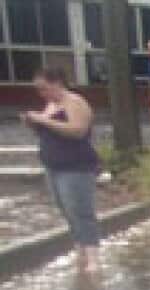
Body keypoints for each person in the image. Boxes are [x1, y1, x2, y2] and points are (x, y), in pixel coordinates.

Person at [22, 67, 102, 273]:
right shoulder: (50, 105)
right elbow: (47, 131)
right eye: (38, 90)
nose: (42, 94)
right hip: (53, 165)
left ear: (58, 83)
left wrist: (43, 120)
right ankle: (80, 249)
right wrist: (33, 123)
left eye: (45, 88)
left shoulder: (75, 102)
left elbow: (78, 130)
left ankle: (93, 256)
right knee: (66, 210)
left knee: (80, 209)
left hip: (76, 166)